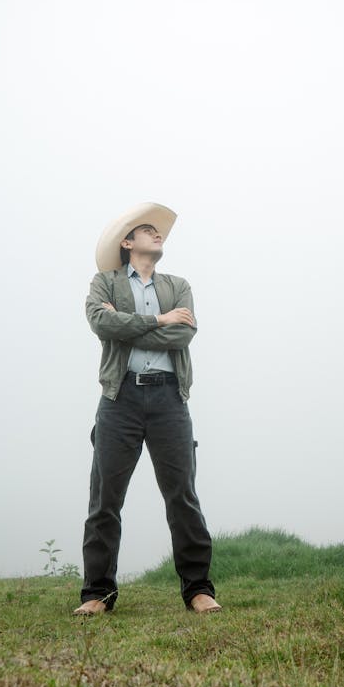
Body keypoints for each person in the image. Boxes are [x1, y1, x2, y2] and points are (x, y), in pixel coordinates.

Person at [74, 202, 221, 615]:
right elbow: (102, 325)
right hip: (119, 401)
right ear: (127, 242)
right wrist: (159, 321)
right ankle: (96, 595)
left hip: (170, 399)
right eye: (147, 230)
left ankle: (198, 590)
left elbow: (184, 335)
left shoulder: (178, 285)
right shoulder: (104, 283)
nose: (157, 234)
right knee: (104, 500)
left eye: (158, 232)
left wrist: (130, 325)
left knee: (183, 497)